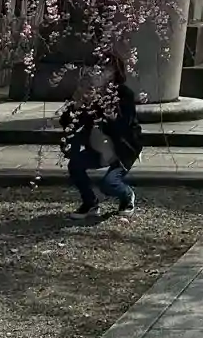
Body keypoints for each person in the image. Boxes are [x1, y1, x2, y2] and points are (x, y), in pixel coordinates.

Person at [59, 50, 142, 218]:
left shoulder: (124, 94)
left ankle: (127, 196)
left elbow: (126, 126)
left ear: (115, 72)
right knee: (75, 165)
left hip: (121, 148)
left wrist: (112, 118)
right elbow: (68, 122)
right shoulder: (90, 93)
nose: (101, 73)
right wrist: (76, 105)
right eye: (98, 69)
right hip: (97, 146)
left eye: (106, 69)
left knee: (110, 183)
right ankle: (90, 202)